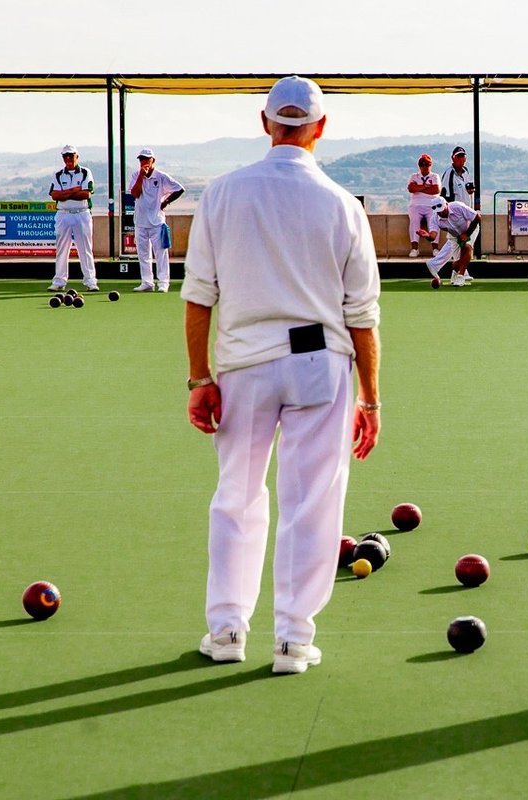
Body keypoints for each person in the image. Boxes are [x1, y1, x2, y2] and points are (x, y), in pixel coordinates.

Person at [182, 76, 382, 675]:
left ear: (266, 122)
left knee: (236, 496)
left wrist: (199, 378)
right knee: (312, 500)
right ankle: (293, 639)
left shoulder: (222, 193)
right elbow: (363, 315)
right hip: (321, 363)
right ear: (320, 127)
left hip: (243, 363)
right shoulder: (343, 204)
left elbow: (198, 295)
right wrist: (371, 400)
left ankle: (226, 630)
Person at [128, 148, 185, 293]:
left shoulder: (161, 176)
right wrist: (141, 176)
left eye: (146, 159)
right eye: (141, 159)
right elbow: (135, 193)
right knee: (143, 254)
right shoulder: (135, 175)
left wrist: (166, 202)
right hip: (140, 221)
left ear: (153, 160)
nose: (144, 162)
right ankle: (147, 282)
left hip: (156, 222)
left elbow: (179, 189)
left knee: (161, 253)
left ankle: (163, 282)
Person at [48, 145, 98, 292]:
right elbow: (55, 195)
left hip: (82, 213)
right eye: (65, 156)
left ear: (77, 156)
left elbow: (86, 194)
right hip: (63, 214)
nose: (68, 158)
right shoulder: (58, 175)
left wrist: (65, 194)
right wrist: (73, 190)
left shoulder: (85, 172)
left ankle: (90, 281)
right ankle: (59, 281)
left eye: (71, 155)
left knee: (85, 249)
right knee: (62, 249)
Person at [422, 196, 479, 286]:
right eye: (438, 212)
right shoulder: (434, 218)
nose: (440, 213)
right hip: (454, 235)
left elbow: (477, 217)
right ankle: (455, 274)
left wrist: (467, 234)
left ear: (446, 204)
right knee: (458, 263)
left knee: (467, 247)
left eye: (442, 210)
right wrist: (427, 236)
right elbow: (433, 236)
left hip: (470, 229)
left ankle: (460, 276)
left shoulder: (458, 206)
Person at [406, 153, 441, 258]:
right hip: (416, 205)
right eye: (422, 164)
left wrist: (419, 187)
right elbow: (411, 189)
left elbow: (436, 190)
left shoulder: (435, 176)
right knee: (414, 222)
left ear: (431, 165)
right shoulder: (414, 176)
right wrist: (426, 186)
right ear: (419, 166)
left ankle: (435, 248)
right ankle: (414, 248)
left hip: (431, 205)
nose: (424, 167)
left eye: (427, 164)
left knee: (434, 222)